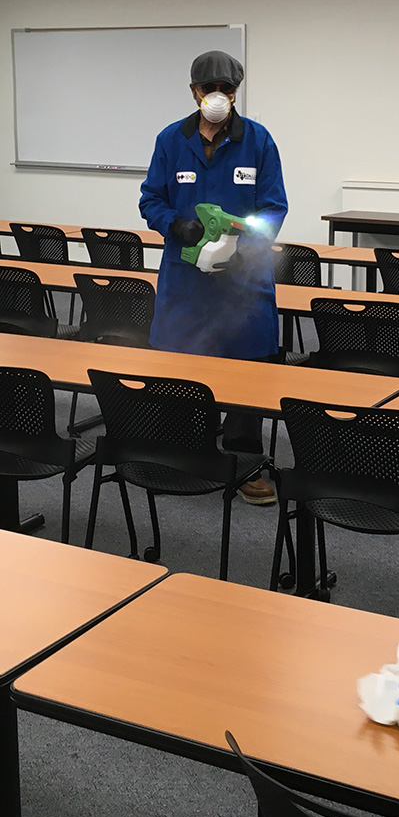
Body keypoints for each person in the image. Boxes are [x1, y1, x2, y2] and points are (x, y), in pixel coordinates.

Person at [138, 50, 287, 505]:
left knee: (246, 365)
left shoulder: (258, 142)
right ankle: (189, 454)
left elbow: (273, 208)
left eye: (227, 90)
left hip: (242, 280)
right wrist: (175, 225)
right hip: (186, 279)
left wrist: (244, 247)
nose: (217, 98)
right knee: (182, 365)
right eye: (209, 90)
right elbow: (150, 200)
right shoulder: (171, 140)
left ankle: (246, 464)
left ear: (236, 93)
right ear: (194, 92)